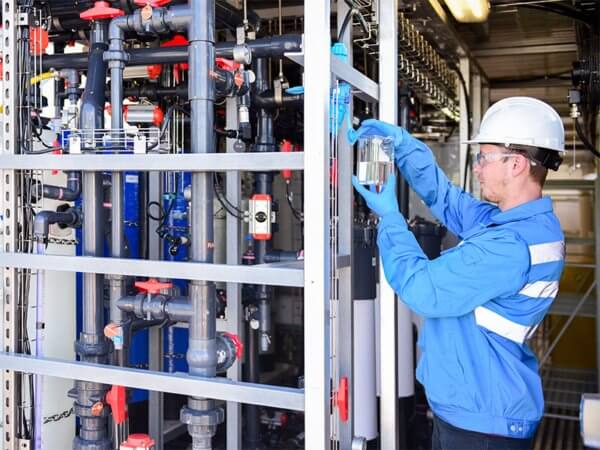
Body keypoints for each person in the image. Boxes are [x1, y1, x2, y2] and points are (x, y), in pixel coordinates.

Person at [351, 96, 566, 450]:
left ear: (515, 164)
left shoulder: (511, 245)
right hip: (473, 410)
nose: (477, 168)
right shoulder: (516, 224)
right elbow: (444, 197)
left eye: (484, 157)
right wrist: (403, 146)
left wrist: (389, 218)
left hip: (482, 425)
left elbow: (423, 289)